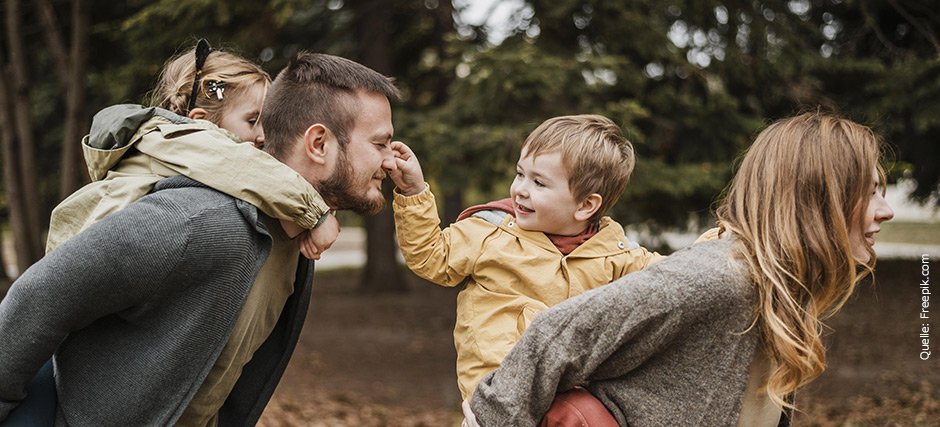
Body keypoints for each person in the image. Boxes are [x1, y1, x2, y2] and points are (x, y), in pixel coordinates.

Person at [0, 51, 401, 426]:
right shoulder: (201, 222)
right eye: (379, 143)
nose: (390, 159)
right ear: (318, 144)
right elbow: (38, 297)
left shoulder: (297, 239)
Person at [461, 112, 896, 426]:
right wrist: (490, 419)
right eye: (870, 192)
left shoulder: (779, 288)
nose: (886, 210)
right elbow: (558, 333)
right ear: (818, 199)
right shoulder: (721, 279)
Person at [388, 114, 664, 401]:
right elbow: (431, 256)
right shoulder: (491, 231)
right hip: (498, 394)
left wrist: (715, 243)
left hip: (573, 399)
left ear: (585, 205)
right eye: (520, 174)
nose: (520, 189)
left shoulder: (616, 253)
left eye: (539, 183)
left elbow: (677, 276)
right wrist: (413, 191)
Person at [45, 39, 339, 259]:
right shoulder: (187, 141)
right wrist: (315, 213)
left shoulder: (184, 154)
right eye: (252, 120)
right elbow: (246, 168)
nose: (263, 135)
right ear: (201, 122)